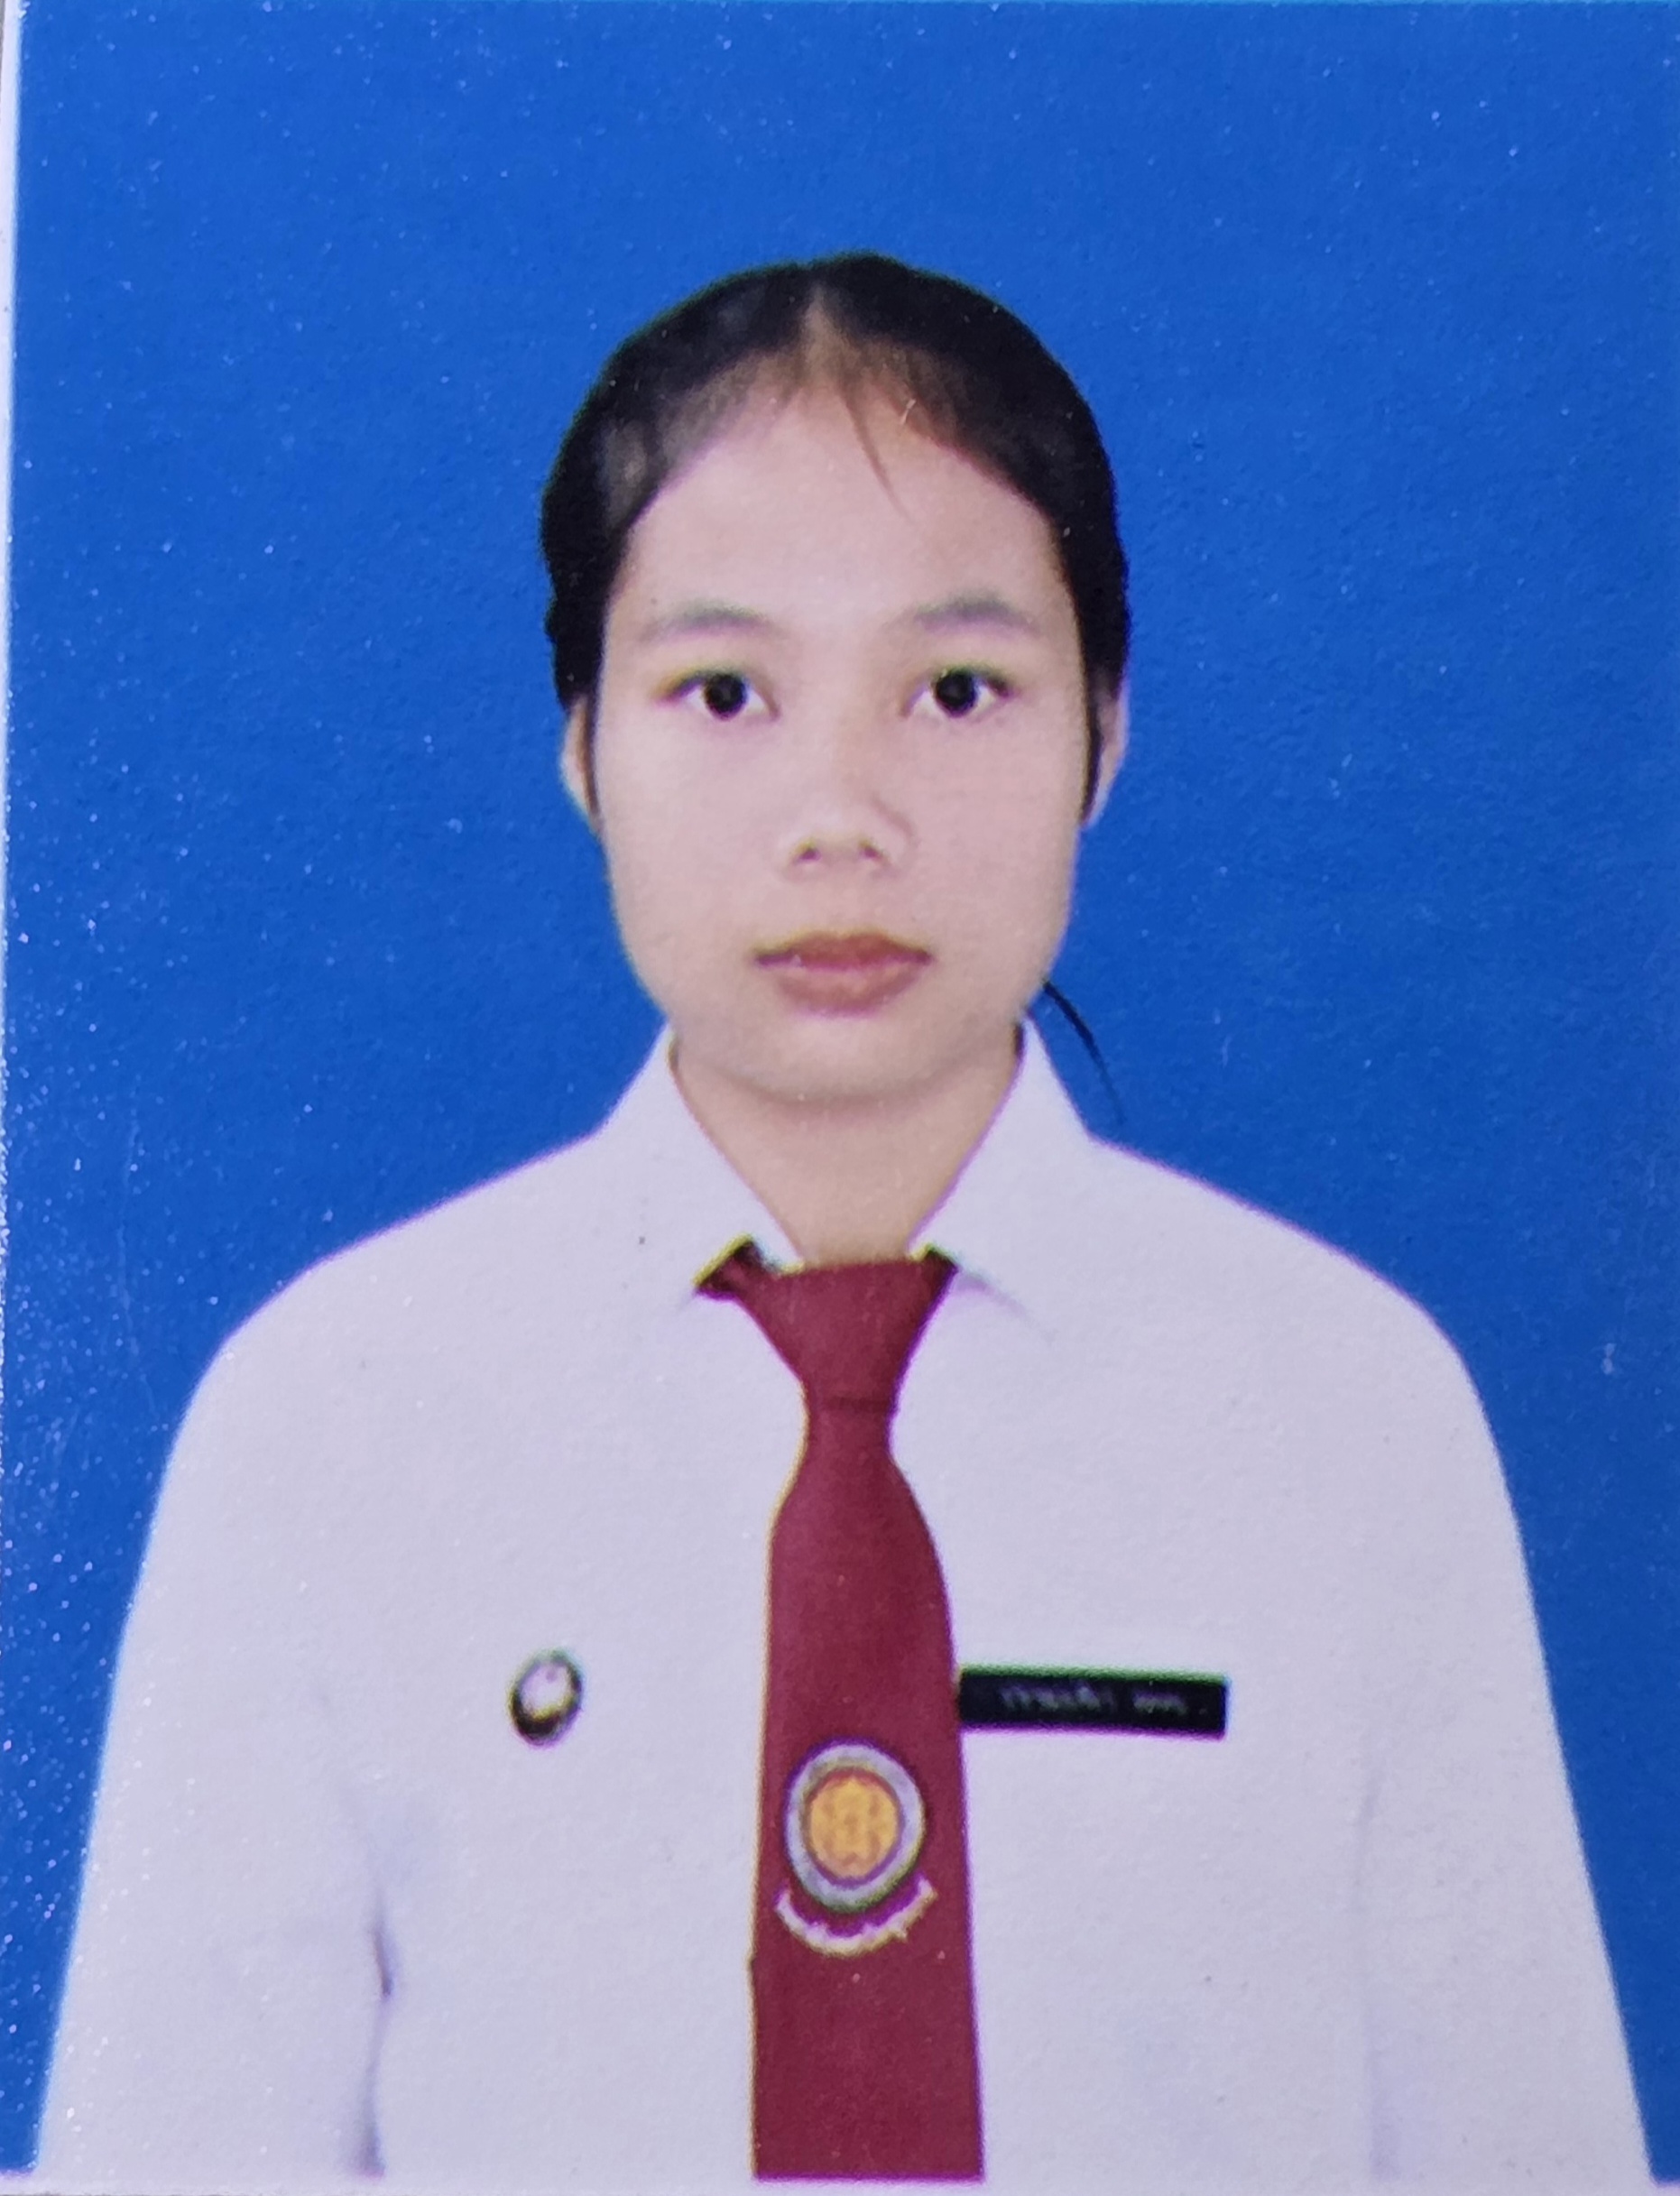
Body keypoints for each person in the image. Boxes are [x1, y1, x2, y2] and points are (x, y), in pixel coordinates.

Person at [36, 254, 1647, 2192]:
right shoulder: (326, 1418)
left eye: (956, 689)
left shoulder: (1350, 1410)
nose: (840, 813)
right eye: (723, 691)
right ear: (581, 740)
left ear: (1104, 731)